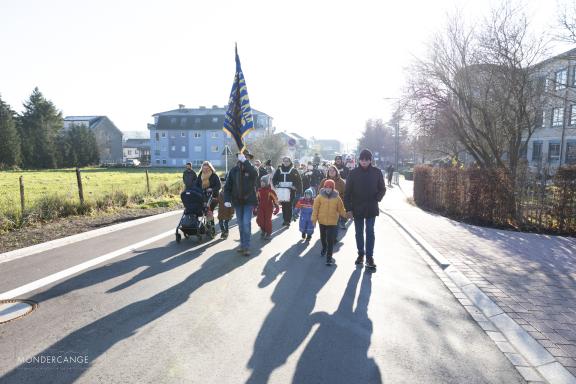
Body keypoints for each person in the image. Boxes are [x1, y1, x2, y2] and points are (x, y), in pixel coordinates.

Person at [344, 149, 386, 269]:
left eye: (366, 159)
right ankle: (360, 254)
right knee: (359, 233)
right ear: (359, 160)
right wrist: (348, 209)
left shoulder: (377, 172)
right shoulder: (353, 173)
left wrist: (377, 198)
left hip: (371, 207)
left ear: (370, 160)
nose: (364, 161)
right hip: (357, 207)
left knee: (370, 232)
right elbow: (347, 193)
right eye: (362, 159)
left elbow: (382, 189)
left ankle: (369, 257)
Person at [223, 150, 258, 256]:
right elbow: (227, 187)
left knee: (246, 223)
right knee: (241, 225)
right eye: (241, 156)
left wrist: (246, 162)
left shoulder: (252, 169)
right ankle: (242, 245)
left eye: (245, 156)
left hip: (248, 201)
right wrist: (227, 200)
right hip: (237, 201)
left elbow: (255, 174)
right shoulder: (233, 170)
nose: (243, 157)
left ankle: (246, 246)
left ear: (248, 158)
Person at [312, 179, 347, 266]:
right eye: (326, 187)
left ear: (333, 188)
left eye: (330, 187)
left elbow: (341, 209)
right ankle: (324, 247)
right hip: (322, 221)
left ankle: (329, 257)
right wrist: (314, 220)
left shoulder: (337, 198)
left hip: (333, 222)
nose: (328, 189)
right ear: (324, 187)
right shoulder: (319, 197)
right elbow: (315, 209)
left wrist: (347, 215)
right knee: (323, 238)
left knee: (330, 240)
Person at [272, 156, 302, 227]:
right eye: (284, 161)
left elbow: (298, 181)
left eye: (287, 161)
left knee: (289, 205)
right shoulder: (279, 170)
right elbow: (274, 179)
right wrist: (276, 184)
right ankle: (285, 219)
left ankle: (287, 221)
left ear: (290, 162)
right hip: (281, 191)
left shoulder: (294, 170)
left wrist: (296, 187)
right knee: (284, 206)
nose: (285, 162)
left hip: (290, 191)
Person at [319, 165, 347, 229]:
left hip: (338, 202)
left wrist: (340, 198)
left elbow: (345, 192)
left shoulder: (341, 181)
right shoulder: (324, 181)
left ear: (336, 172)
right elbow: (319, 192)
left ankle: (342, 222)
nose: (331, 172)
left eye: (333, 170)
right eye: (330, 170)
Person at [255, 175, 280, 240]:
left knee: (267, 221)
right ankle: (263, 230)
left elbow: (275, 199)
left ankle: (268, 233)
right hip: (261, 208)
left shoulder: (270, 191)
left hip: (268, 208)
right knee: (259, 220)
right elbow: (256, 200)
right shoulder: (259, 191)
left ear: (267, 183)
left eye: (263, 182)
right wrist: (254, 207)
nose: (262, 183)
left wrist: (277, 207)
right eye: (261, 182)